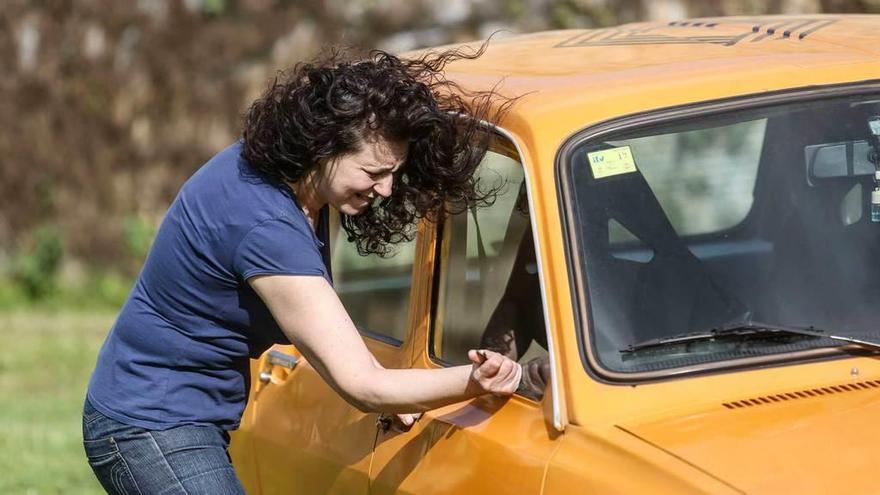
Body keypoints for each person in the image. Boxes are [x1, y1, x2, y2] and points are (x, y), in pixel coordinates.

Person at [82, 46, 522, 494]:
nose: (387, 189)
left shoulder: (290, 179)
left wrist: (397, 388)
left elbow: (328, 333)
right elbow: (363, 386)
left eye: (395, 172)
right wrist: (476, 379)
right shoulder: (265, 224)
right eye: (375, 171)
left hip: (170, 413)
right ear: (324, 146)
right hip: (149, 423)